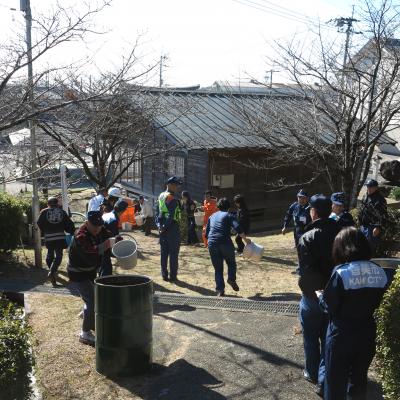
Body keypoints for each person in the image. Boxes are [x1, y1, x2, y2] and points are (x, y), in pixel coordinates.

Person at [317, 227, 388, 399]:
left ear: (341, 247)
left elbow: (329, 305)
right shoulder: (380, 271)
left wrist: (320, 296)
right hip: (367, 331)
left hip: (341, 334)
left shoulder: (342, 272)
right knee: (358, 378)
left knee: (335, 381)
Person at [297, 194, 341, 395]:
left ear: (313, 212)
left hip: (312, 295)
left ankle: (312, 372)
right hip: (336, 294)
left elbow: (306, 270)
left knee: (310, 335)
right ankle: (324, 378)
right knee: (328, 337)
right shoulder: (341, 233)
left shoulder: (307, 237)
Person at [67, 211, 113, 346]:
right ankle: (85, 333)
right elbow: (90, 251)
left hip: (91, 271)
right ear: (87, 223)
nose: (97, 229)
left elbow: (109, 239)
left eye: (99, 226)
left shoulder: (101, 229)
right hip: (78, 273)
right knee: (92, 301)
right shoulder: (80, 235)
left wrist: (116, 242)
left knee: (92, 297)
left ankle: (86, 313)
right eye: (94, 226)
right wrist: (107, 244)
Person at [206, 198, 251, 296]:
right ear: (229, 207)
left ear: (218, 206)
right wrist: (246, 240)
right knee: (231, 263)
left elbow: (207, 233)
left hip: (212, 243)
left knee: (218, 269)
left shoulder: (212, 216)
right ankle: (231, 279)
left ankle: (220, 290)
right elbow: (238, 228)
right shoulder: (229, 215)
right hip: (224, 242)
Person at [37, 196, 75, 287]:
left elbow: (39, 222)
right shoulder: (62, 212)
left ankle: (52, 274)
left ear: (48, 204)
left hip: (49, 238)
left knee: (49, 255)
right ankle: (52, 272)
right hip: (60, 237)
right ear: (57, 204)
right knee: (58, 256)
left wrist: (45, 231)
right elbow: (69, 225)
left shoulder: (43, 212)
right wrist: (72, 231)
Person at [156, 176, 183, 282]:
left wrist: (159, 226)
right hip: (172, 228)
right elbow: (171, 216)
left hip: (162, 227)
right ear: (169, 185)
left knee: (164, 253)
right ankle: (173, 276)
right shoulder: (171, 198)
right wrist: (164, 227)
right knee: (173, 253)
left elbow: (157, 212)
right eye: (175, 185)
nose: (177, 187)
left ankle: (164, 274)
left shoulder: (161, 196)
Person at [99, 199, 128, 276]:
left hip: (98, 242)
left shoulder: (108, 214)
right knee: (106, 269)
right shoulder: (113, 220)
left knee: (102, 266)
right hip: (102, 244)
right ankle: (104, 286)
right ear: (123, 211)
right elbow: (113, 238)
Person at [359, 179, 387, 255]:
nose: (369, 188)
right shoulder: (365, 196)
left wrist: (378, 227)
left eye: (371, 187)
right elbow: (361, 209)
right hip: (363, 226)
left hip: (372, 228)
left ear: (376, 188)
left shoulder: (380, 199)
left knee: (369, 250)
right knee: (361, 247)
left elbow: (383, 215)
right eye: (368, 186)